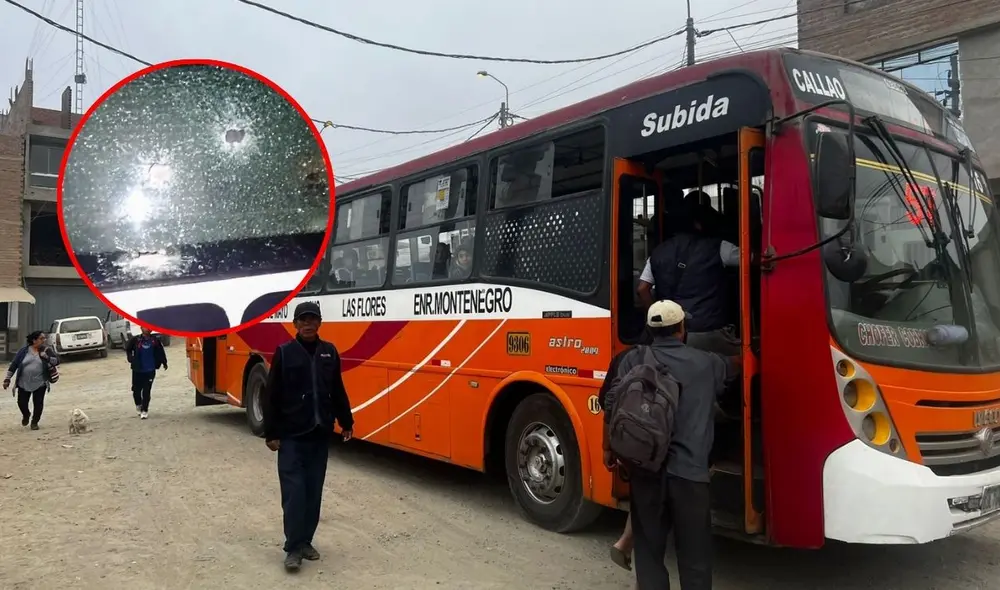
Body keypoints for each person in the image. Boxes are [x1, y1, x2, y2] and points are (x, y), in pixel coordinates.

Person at [603, 300, 740, 590]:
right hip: (690, 476)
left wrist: (608, 450)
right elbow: (737, 366)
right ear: (681, 329)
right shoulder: (706, 363)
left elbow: (610, 405)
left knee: (649, 552)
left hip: (646, 472)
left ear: (651, 331)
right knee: (695, 557)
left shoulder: (631, 359)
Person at [262, 301, 355, 573]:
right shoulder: (285, 352)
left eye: (313, 319)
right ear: (295, 324)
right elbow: (272, 395)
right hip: (292, 436)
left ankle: (306, 542)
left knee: (313, 492)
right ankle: (292, 548)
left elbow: (337, 388)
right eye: (303, 320)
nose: (308, 324)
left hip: (319, 434)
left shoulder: (329, 352)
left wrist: (346, 421)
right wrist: (271, 432)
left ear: (320, 323)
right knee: (294, 493)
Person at [637, 200, 742, 356]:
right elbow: (752, 259)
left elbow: (642, 289)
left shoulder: (657, 253)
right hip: (709, 333)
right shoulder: (719, 247)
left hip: (672, 335)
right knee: (742, 363)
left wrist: (657, 319)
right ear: (698, 224)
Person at [597, 327, 654, 572]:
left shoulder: (624, 358)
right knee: (651, 499)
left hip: (633, 443)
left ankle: (625, 543)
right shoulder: (687, 359)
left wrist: (607, 447)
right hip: (665, 446)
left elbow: (606, 403)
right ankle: (628, 545)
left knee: (643, 493)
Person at [3, 331, 58, 430]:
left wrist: (47, 357)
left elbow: (57, 361)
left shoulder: (46, 350)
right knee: (21, 403)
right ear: (34, 340)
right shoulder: (23, 351)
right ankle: (26, 414)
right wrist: (7, 379)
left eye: (44, 338)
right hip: (23, 382)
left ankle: (34, 422)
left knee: (38, 403)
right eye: (41, 338)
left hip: (40, 382)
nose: (44, 340)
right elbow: (14, 365)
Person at [125, 327, 168, 419]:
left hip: (150, 370)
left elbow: (160, 351)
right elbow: (128, 349)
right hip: (138, 370)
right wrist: (130, 358)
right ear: (141, 328)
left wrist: (164, 362)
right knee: (136, 390)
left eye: (149, 328)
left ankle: (145, 410)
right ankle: (138, 404)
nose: (147, 329)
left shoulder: (155, 340)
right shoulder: (136, 340)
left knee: (146, 390)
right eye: (145, 327)